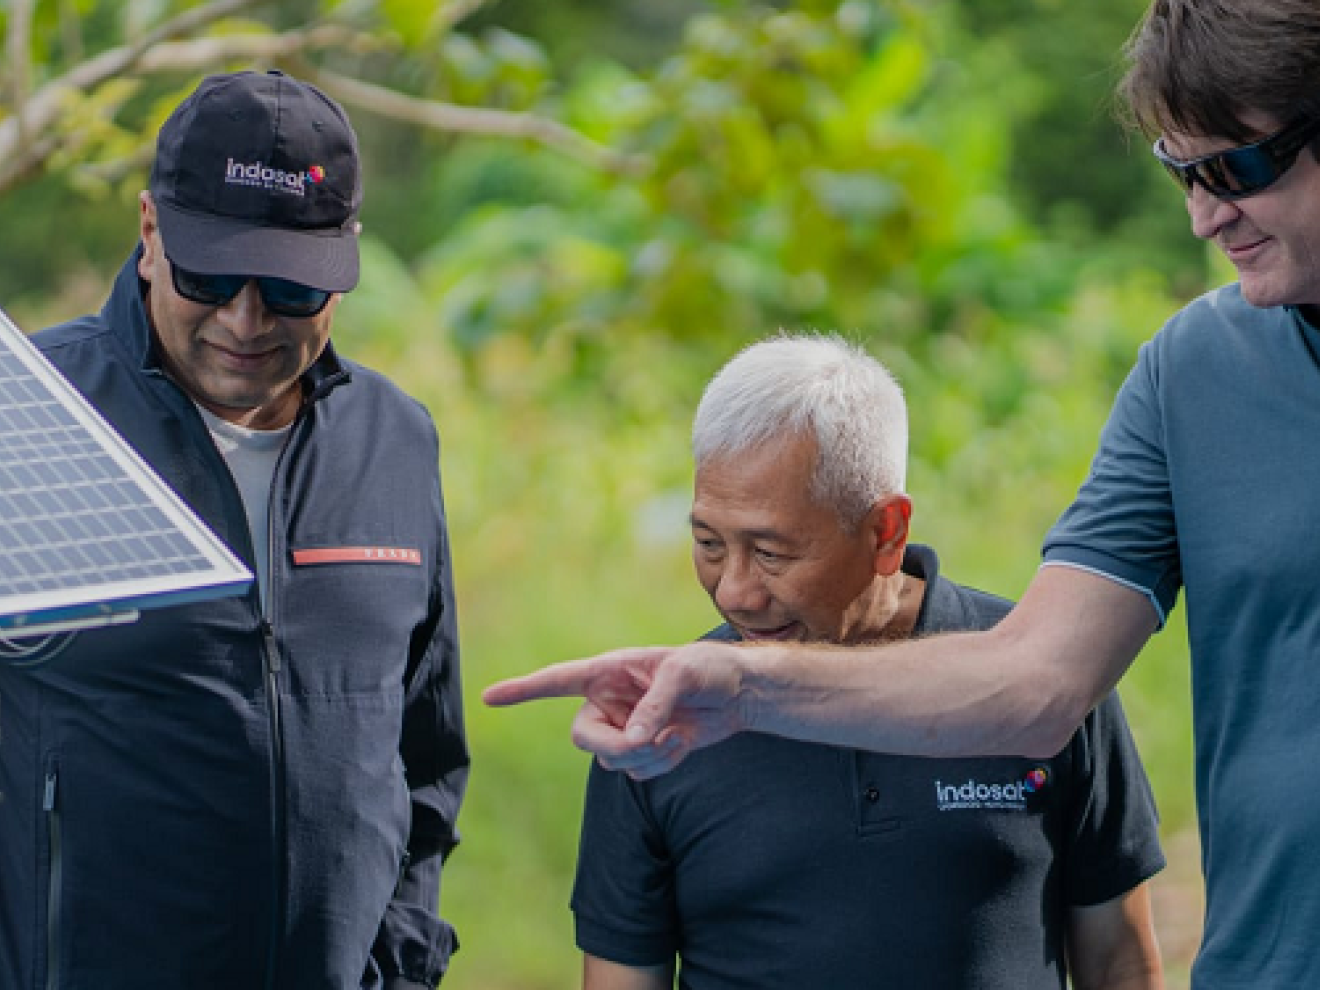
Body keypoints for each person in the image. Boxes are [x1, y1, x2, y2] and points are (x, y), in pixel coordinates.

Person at [484, 0, 1320, 984]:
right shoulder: (1192, 374)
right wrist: (739, 688)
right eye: (1182, 172)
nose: (1204, 216)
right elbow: (1037, 681)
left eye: (1235, 170)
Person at [0, 70, 468, 989]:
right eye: (208, 276)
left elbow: (423, 753)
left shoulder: (396, 439)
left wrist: (404, 963)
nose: (245, 320)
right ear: (149, 233)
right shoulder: (29, 419)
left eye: (290, 288)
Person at [571, 335, 1166, 990]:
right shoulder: (661, 719)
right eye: (709, 543)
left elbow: (1119, 963)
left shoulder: (1038, 675)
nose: (735, 591)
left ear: (886, 531)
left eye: (770, 553)